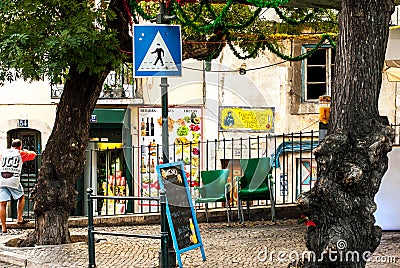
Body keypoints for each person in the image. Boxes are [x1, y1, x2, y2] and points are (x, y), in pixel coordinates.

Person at [0, 139, 36, 234]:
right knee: (21, 197)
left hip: (2, 179)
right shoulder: (20, 153)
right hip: (13, 179)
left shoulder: (4, 152)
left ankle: (3, 227)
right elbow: (33, 155)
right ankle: (19, 218)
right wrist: (26, 151)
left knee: (2, 204)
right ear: (20, 146)